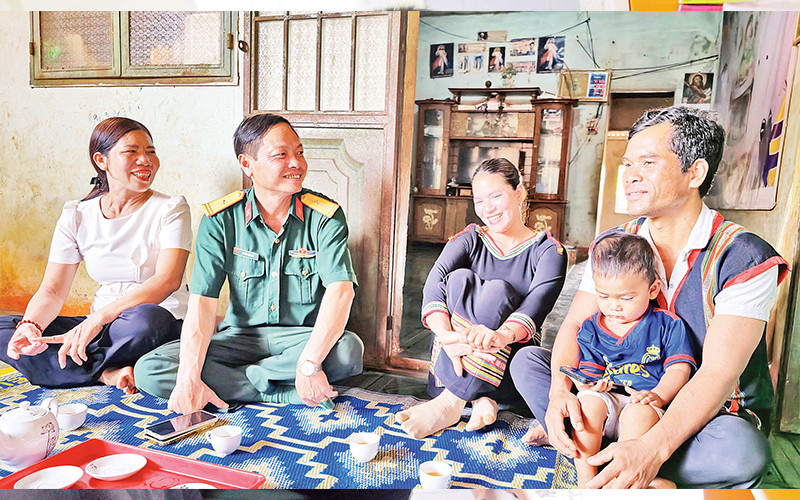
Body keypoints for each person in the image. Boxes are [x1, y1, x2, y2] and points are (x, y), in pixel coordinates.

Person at [510, 105, 789, 488]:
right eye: (627, 164)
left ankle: (598, 447)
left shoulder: (744, 256)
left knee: (741, 454)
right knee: (528, 362)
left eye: (648, 162)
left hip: (702, 415)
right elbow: (574, 323)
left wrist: (652, 448)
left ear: (695, 173)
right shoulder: (616, 243)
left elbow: (719, 373)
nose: (630, 176)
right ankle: (600, 440)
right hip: (614, 393)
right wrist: (559, 394)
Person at [134, 113, 364, 413]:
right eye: (281, 155)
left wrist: (309, 362)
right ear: (247, 164)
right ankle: (277, 392)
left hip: (299, 340)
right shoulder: (219, 220)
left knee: (348, 350)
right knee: (150, 368)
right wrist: (189, 377)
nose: (296, 163)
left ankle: (246, 383)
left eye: (299, 152)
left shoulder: (324, 217)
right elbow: (202, 304)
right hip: (239, 339)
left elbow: (341, 290)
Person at [0, 117, 191, 394]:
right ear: (102, 161)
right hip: (102, 330)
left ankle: (70, 366)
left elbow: (167, 281)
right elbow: (52, 290)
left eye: (151, 152)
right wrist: (31, 326)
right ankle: (105, 373)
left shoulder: (171, 209)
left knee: (147, 320)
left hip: (148, 324)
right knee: (8, 330)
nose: (146, 160)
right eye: (132, 152)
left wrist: (97, 319)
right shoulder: (77, 215)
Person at [396, 158, 566, 439]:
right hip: (452, 358)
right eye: (479, 200)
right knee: (459, 279)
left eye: (496, 196)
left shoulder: (547, 250)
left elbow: (537, 305)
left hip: (504, 364)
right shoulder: (470, 238)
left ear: (519, 193)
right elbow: (434, 283)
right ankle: (479, 399)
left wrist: (499, 336)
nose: (488, 209)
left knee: (496, 293)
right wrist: (446, 336)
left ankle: (451, 403)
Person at [568, 233, 695, 488]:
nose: (613, 306)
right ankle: (586, 481)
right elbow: (588, 372)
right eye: (603, 296)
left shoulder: (667, 324)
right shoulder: (592, 327)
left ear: (652, 290)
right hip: (608, 400)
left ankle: (621, 480)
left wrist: (658, 395)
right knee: (587, 406)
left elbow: (679, 369)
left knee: (638, 412)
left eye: (626, 298)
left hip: (644, 404)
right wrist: (589, 385)